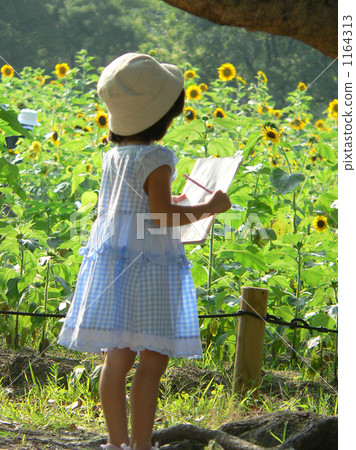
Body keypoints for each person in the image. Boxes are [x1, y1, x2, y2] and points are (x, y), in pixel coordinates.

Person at [57, 53, 231, 450]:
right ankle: (142, 446)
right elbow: (162, 217)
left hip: (116, 261)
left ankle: (118, 445)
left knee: (116, 358)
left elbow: (141, 207)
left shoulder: (113, 156)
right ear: (164, 116)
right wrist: (208, 207)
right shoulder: (159, 157)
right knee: (152, 360)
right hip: (150, 265)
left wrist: (175, 200)